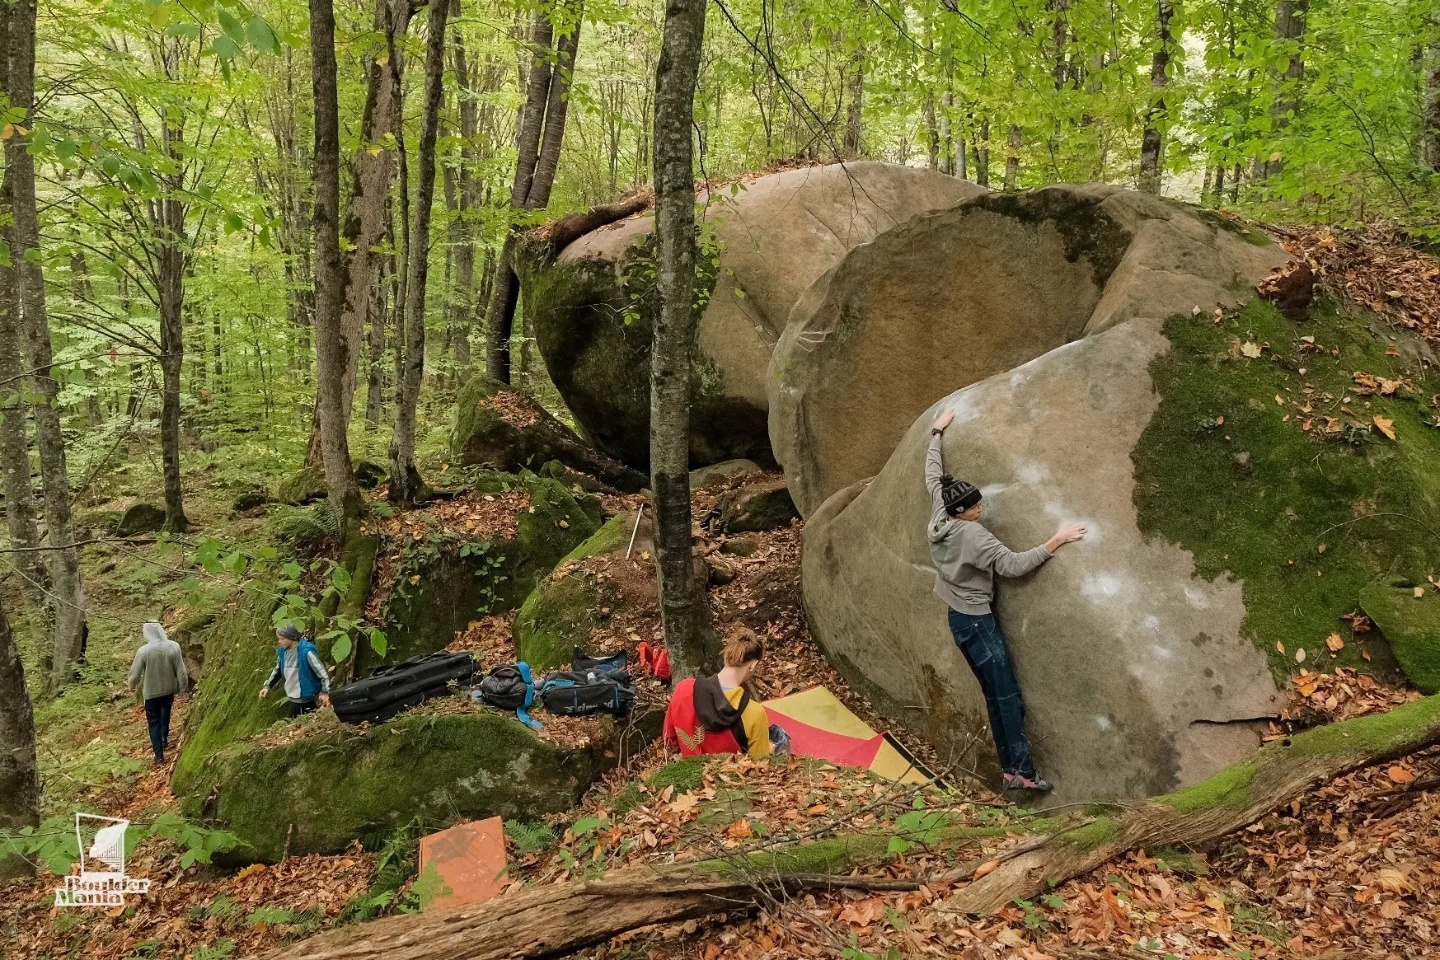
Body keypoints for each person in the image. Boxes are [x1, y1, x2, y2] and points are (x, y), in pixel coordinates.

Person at [927, 408, 1086, 793]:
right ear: (962, 512)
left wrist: (936, 433)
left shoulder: (940, 513)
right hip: (978, 623)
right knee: (1008, 697)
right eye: (976, 507)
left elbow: (932, 475)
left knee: (995, 695)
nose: (981, 510)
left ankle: (1011, 770)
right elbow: (1014, 565)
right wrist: (1058, 539)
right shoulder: (974, 536)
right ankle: (1022, 773)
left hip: (956, 617)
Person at [663, 632, 790, 759]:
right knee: (780, 738)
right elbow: (760, 765)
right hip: (728, 775)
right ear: (753, 665)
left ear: (726, 656)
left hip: (691, 769)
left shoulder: (683, 689)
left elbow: (670, 739)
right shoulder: (754, 713)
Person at [127, 622, 189, 767]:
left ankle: (159, 756)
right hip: (168, 689)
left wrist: (131, 685)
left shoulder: (144, 651)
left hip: (151, 693)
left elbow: (134, 675)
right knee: (165, 712)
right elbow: (181, 670)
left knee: (153, 722)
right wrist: (183, 687)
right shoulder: (173, 646)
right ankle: (164, 738)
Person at [259, 624, 331, 717]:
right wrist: (267, 686)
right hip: (294, 697)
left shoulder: (306, 652)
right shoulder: (283, 653)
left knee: (298, 721)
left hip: (307, 697)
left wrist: (324, 691)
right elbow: (277, 671)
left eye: (282, 639)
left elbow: (321, 672)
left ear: (291, 637)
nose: (279, 641)